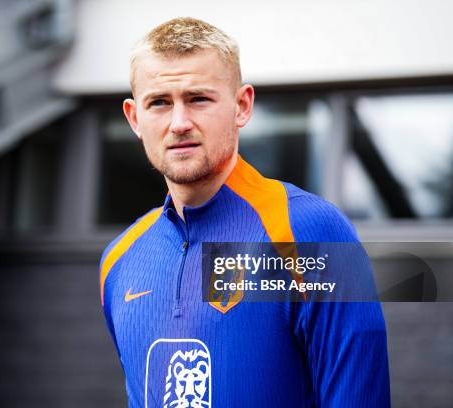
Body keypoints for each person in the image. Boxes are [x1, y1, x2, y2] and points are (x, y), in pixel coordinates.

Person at [99, 17, 390, 407]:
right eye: (159, 103)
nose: (179, 123)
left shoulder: (308, 232)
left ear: (242, 105)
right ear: (135, 118)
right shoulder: (119, 259)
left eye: (198, 98)